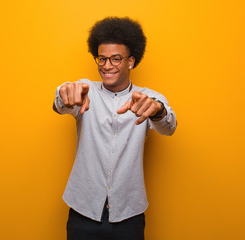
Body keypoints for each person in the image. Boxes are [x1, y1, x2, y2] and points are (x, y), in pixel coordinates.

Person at [53, 16, 177, 240]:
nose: (107, 66)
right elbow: (62, 99)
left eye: (116, 59)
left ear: (131, 61)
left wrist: (157, 110)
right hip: (82, 211)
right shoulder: (85, 90)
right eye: (102, 59)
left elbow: (169, 126)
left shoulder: (148, 97)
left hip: (129, 216)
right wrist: (65, 95)